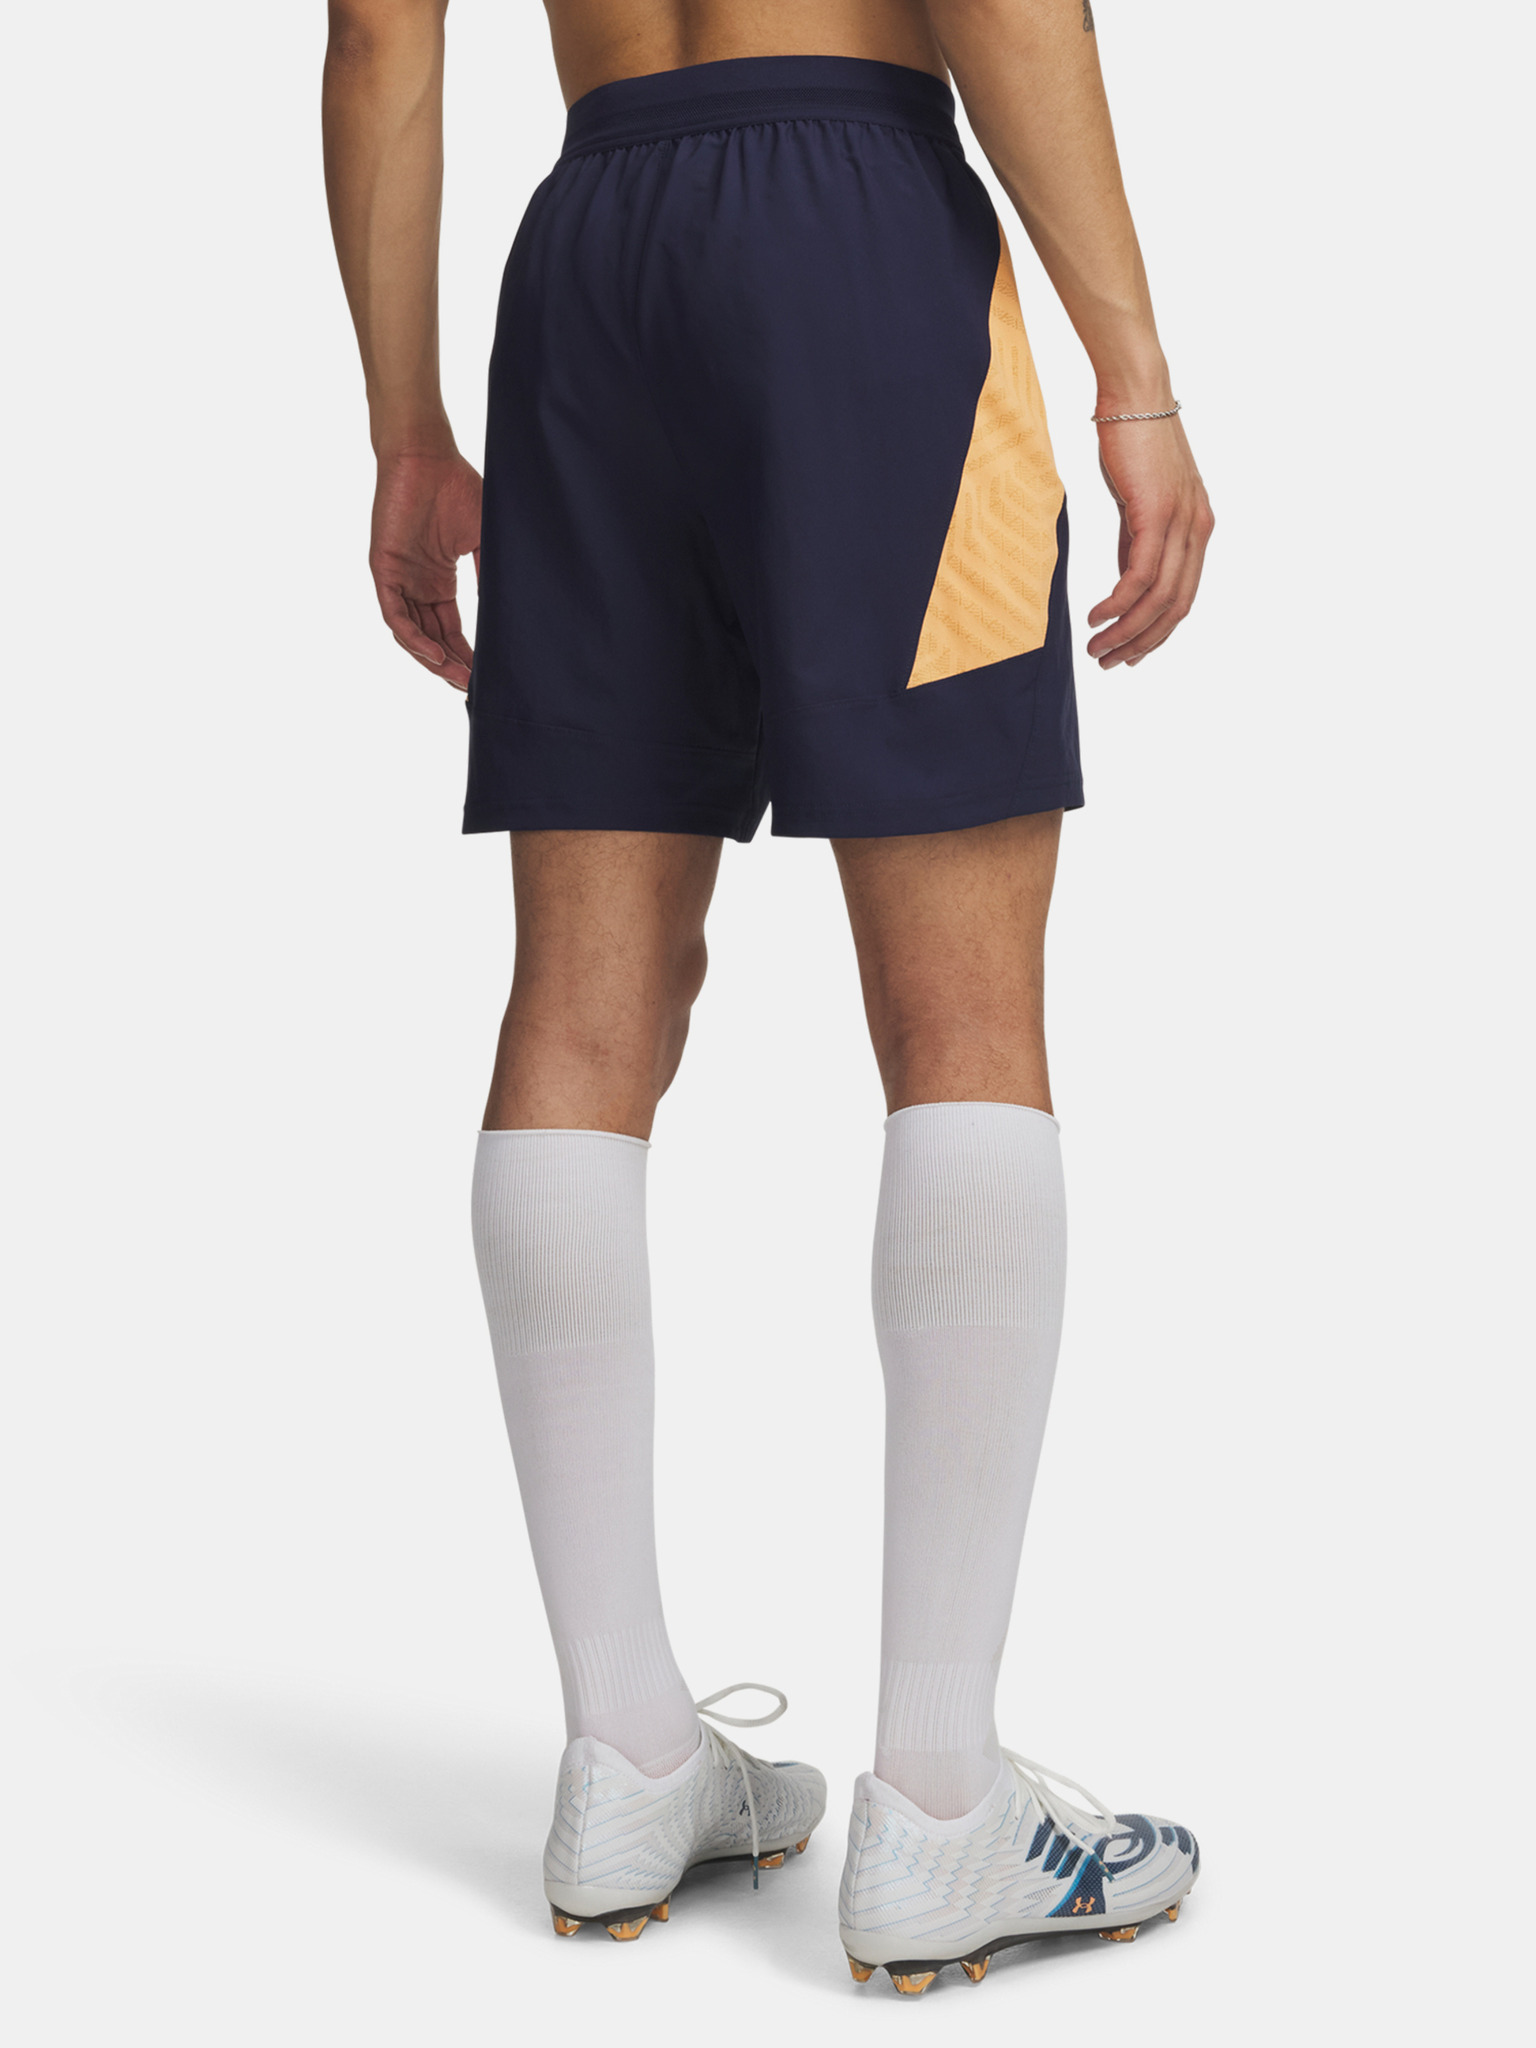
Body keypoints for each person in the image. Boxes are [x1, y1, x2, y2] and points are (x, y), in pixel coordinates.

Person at [322, 0, 1213, 1995]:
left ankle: (625, 1751)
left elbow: (381, 33)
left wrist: (403, 429)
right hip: (859, 232)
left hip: (593, 257)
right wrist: (1137, 373)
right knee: (962, 1009)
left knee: (584, 1001)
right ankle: (938, 1800)